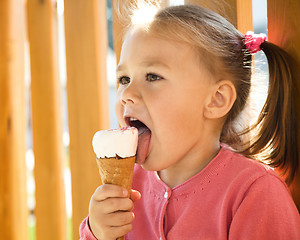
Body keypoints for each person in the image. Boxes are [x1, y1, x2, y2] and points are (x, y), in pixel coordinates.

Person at [80, 4, 300, 240]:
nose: (126, 94)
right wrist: (97, 231)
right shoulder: (127, 188)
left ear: (216, 100)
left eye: (153, 76)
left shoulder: (254, 193)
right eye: (124, 78)